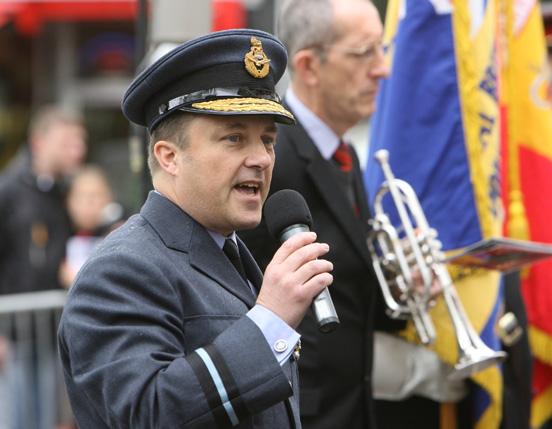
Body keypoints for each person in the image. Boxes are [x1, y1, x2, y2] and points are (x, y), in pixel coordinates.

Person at [58, 29, 334, 428]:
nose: (260, 158)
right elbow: (145, 414)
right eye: (234, 138)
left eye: (268, 140)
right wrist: (270, 321)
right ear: (169, 157)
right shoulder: (119, 271)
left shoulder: (230, 254)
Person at [239, 1, 466, 428]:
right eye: (365, 54)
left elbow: (349, 299)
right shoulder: (274, 159)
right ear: (308, 66)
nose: (383, 69)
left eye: (382, 50)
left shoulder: (345, 157)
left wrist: (404, 282)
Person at [0, 105, 87, 429]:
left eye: (80, 142)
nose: (77, 151)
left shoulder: (67, 192)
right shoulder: (7, 191)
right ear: (39, 142)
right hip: (14, 334)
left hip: (54, 331)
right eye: (67, 143)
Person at [59, 164, 124, 287]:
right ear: (68, 202)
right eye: (80, 197)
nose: (87, 205)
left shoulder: (120, 233)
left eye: (94, 197)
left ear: (108, 198)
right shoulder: (59, 235)